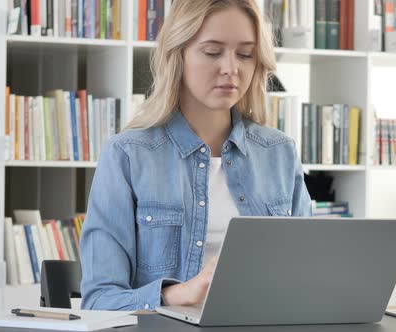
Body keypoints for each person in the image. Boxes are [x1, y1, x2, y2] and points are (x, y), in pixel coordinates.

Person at [80, 0, 312, 311]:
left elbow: (308, 278)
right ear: (178, 55)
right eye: (213, 51)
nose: (231, 68)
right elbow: (99, 300)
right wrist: (179, 294)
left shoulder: (280, 153)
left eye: (245, 54)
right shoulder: (128, 155)